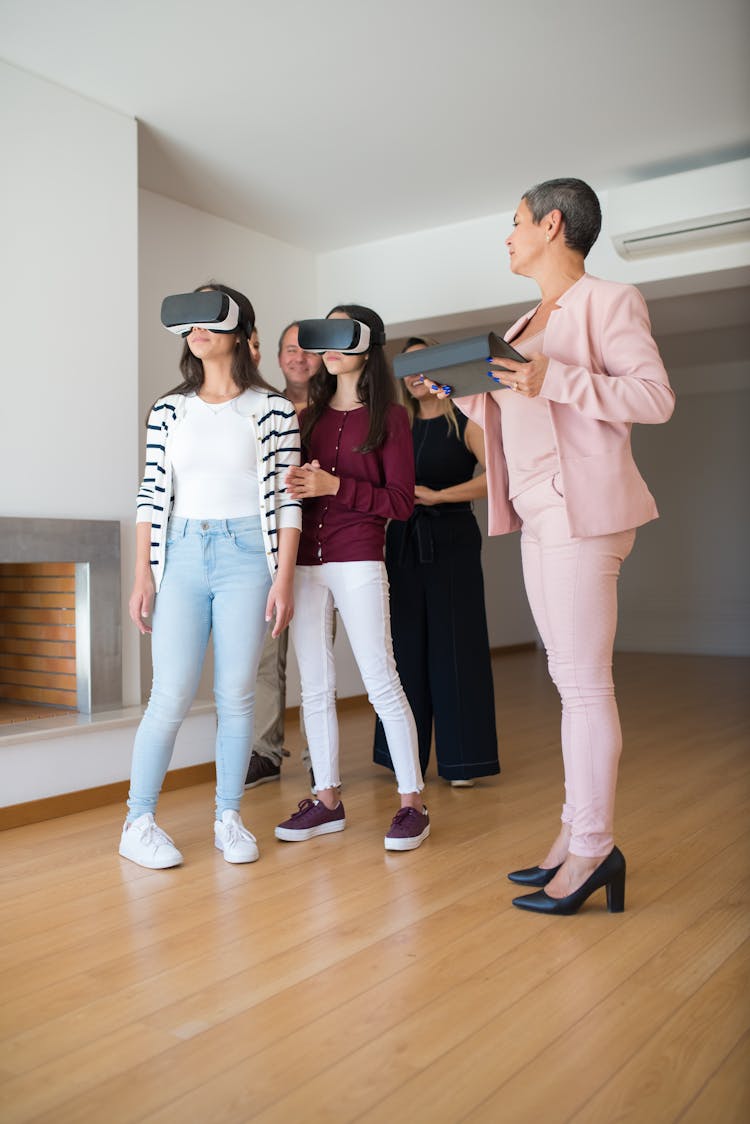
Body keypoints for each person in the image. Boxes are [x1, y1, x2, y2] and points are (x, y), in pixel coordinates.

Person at [430, 178, 674, 913]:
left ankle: (594, 848)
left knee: (583, 683)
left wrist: (553, 377)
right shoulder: (522, 319)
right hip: (538, 512)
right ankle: (574, 838)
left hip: (583, 512)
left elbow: (653, 398)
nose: (507, 236)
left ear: (551, 224)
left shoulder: (609, 301)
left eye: (514, 223)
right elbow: (517, 412)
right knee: (570, 683)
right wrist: (466, 393)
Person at [120, 283, 301, 869]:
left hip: (250, 554)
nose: (195, 329)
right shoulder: (169, 410)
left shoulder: (274, 410)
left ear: (237, 329)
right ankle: (138, 821)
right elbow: (150, 495)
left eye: (208, 315)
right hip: (181, 554)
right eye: (188, 320)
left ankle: (229, 817)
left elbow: (289, 502)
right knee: (169, 694)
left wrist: (284, 578)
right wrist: (144, 575)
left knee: (237, 695)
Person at [275, 304, 431, 851]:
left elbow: (402, 503)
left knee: (380, 678)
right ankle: (327, 800)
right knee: (314, 686)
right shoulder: (306, 418)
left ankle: (412, 803)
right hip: (305, 564)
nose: (330, 345)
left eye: (343, 333)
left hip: (359, 556)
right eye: (326, 334)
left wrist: (335, 487)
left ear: (368, 343)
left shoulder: (391, 419)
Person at [373, 336, 500, 786]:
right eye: (407, 366)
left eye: (423, 363)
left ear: (439, 368)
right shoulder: (395, 426)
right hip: (403, 539)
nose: (414, 374)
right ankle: (398, 757)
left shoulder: (466, 418)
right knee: (404, 646)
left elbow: (498, 476)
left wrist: (440, 495)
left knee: (455, 646)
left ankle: (463, 761)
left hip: (452, 536)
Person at [244, 322, 324, 788]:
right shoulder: (262, 408)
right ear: (277, 357)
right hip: (268, 548)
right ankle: (265, 753)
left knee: (317, 655)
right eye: (290, 349)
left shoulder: (335, 410)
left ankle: (321, 755)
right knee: (265, 656)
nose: (299, 358)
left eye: (308, 351)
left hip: (320, 547)